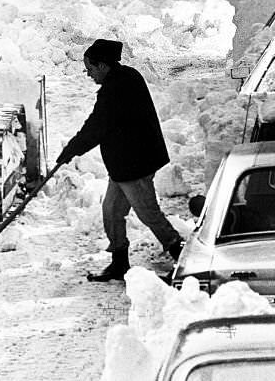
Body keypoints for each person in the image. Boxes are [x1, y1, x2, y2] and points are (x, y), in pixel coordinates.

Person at [56, 38, 184, 282]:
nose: (88, 74)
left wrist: (71, 149)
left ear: (103, 65)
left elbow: (97, 126)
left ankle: (183, 256)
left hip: (135, 164)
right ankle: (119, 263)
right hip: (125, 164)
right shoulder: (125, 78)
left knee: (147, 212)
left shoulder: (117, 87)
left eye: (90, 69)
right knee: (112, 211)